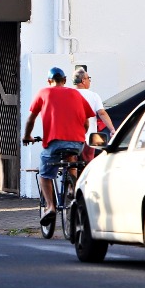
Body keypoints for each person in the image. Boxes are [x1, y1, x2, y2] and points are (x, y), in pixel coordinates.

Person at [22, 67, 95, 227]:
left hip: (54, 142)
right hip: (77, 143)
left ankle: (50, 207)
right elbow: (86, 122)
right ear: (65, 80)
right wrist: (79, 136)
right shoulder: (76, 94)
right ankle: (71, 187)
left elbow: (31, 120)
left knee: (45, 172)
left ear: (49, 81)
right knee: (71, 159)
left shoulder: (43, 93)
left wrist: (27, 136)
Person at [72, 68, 116, 163]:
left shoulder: (68, 95)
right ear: (83, 80)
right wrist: (112, 129)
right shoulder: (93, 96)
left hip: (71, 138)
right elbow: (102, 113)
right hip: (89, 137)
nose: (89, 81)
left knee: (72, 164)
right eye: (88, 78)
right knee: (88, 163)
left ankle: (72, 177)